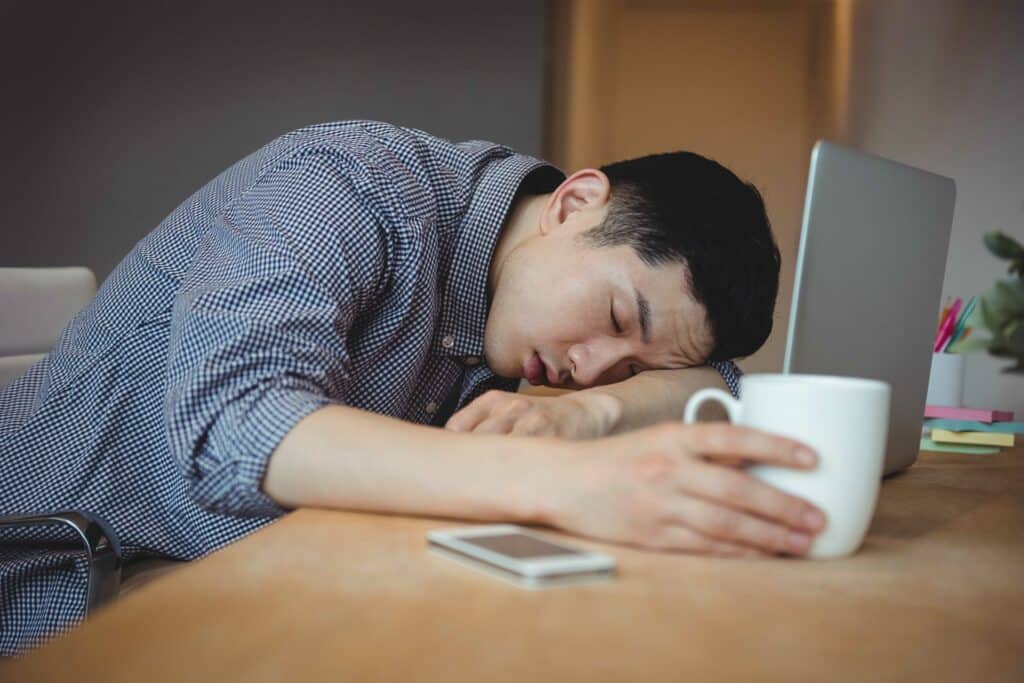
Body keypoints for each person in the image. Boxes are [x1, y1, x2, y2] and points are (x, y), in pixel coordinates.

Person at [0, 120, 825, 655]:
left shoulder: (516, 305)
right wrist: (570, 480)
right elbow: (239, 423)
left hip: (237, 579)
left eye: (634, 363)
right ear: (574, 202)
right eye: (616, 314)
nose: (596, 359)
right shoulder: (352, 186)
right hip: (60, 584)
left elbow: (714, 382)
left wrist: (590, 414)